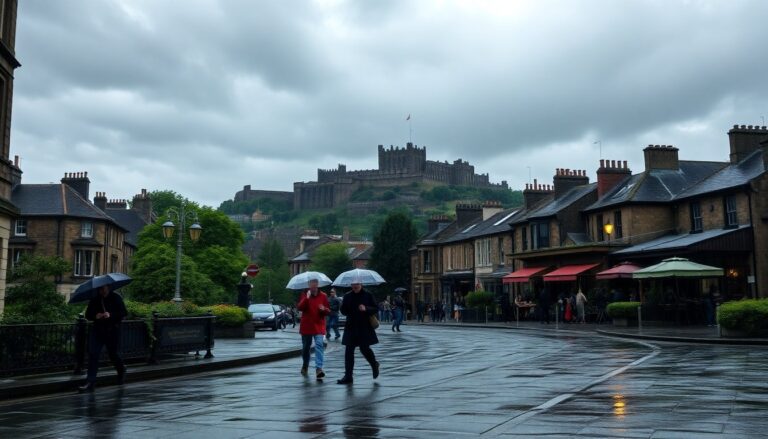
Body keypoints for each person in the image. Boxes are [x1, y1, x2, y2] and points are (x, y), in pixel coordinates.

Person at [79, 285, 127, 392]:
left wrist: (111, 315)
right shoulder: (95, 299)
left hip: (112, 331)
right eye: (100, 289)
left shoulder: (116, 297)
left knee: (113, 354)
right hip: (98, 331)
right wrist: (96, 316)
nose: (101, 291)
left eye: (103, 288)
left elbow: (123, 313)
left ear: (108, 287)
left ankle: (121, 370)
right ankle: (90, 382)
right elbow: (88, 315)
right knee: (93, 354)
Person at [337, 281, 380, 384]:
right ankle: (348, 376)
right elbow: (343, 311)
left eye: (357, 284)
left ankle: (374, 364)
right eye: (353, 284)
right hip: (351, 326)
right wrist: (343, 307)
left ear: (361, 284)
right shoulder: (347, 296)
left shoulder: (368, 294)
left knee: (364, 348)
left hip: (364, 326)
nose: (355, 286)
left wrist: (366, 308)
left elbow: (375, 308)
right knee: (349, 351)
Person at [297, 279, 330, 380]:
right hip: (307, 325)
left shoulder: (323, 296)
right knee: (306, 347)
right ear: (308, 286)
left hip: (319, 325)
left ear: (318, 285)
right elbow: (300, 307)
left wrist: (324, 309)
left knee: (319, 344)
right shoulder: (304, 294)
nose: (313, 288)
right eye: (311, 286)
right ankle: (305, 365)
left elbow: (328, 310)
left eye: (315, 285)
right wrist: (307, 298)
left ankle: (318, 369)